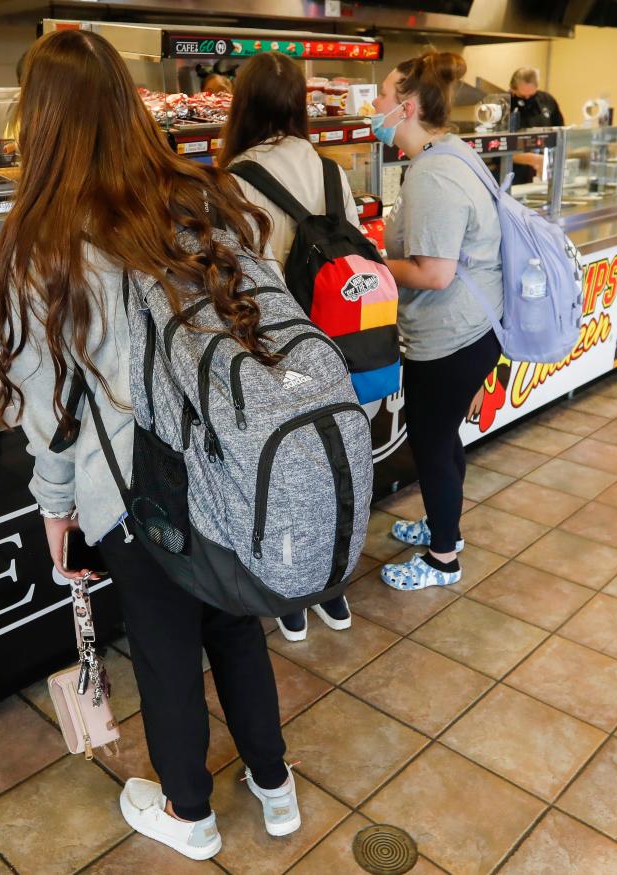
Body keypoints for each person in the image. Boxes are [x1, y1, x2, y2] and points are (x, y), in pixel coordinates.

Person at [0, 29, 300, 862]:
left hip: (136, 487)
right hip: (230, 465)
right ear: (127, 104)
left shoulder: (45, 239)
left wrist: (56, 507)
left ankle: (190, 814)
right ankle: (276, 791)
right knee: (235, 626)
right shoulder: (201, 194)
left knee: (165, 652)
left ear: (42, 119)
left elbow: (50, 404)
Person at [216, 51, 356, 644]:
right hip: (336, 336)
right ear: (299, 103)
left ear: (241, 104)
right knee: (335, 455)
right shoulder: (331, 169)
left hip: (272, 343)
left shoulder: (232, 180)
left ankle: (294, 599)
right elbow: (351, 252)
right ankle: (336, 589)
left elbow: (233, 272)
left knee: (284, 463)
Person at [370, 51, 503, 590]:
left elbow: (435, 273)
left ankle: (443, 559)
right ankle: (442, 526)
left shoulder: (434, 175)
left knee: (429, 444)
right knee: (443, 439)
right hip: (471, 328)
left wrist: (375, 263)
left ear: (405, 107)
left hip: (452, 336)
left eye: (380, 96)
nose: (373, 106)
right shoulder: (450, 153)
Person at [508, 67, 564, 185]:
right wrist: (533, 159)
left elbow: (560, 132)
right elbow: (499, 149)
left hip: (542, 174)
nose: (527, 100)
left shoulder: (547, 100)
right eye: (522, 97)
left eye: (531, 96)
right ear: (512, 89)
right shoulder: (505, 104)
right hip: (513, 174)